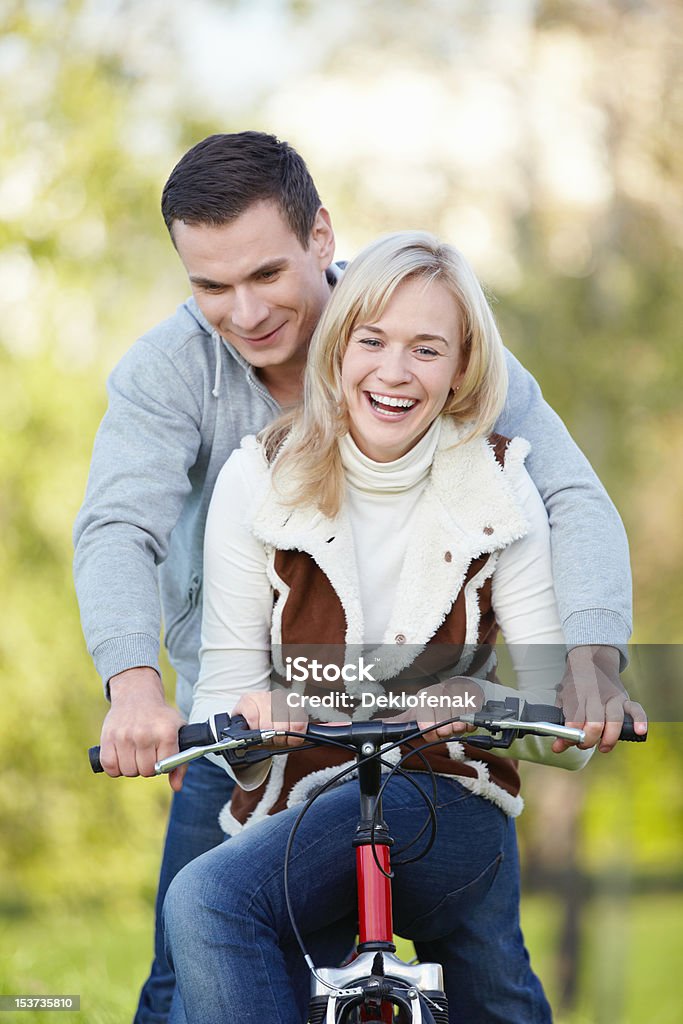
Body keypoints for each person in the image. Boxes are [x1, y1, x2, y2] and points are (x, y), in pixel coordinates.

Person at [73, 133, 641, 1023]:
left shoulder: (426, 327)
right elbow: (117, 527)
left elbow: (564, 496)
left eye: (265, 274)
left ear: (320, 237)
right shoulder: (175, 378)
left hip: (435, 741)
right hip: (258, 714)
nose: (245, 311)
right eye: (210, 286)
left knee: (489, 975)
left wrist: (587, 658)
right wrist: (136, 688)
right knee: (186, 972)